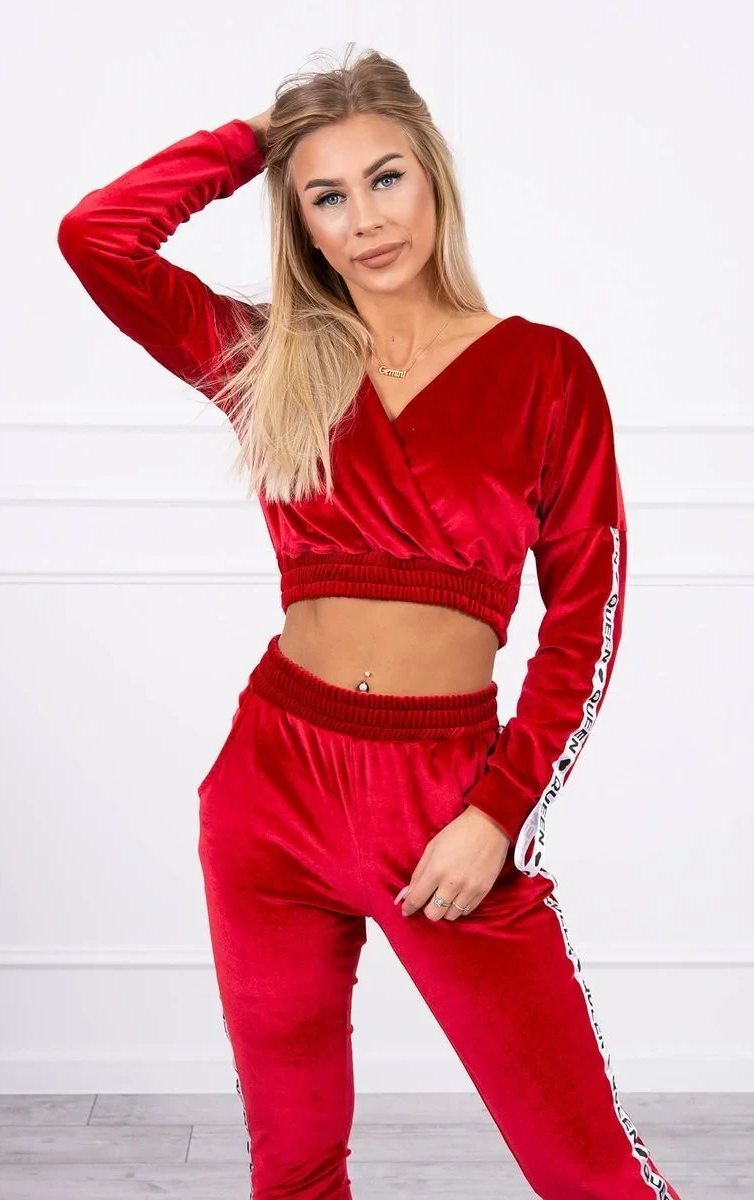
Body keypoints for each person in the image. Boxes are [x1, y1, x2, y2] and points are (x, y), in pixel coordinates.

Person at [57, 43, 682, 1200]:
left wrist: (495, 814)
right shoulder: (272, 358)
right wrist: (255, 141)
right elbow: (96, 239)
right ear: (299, 222)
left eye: (385, 177)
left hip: (444, 798)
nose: (366, 219)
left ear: (431, 174)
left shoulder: (544, 370)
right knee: (292, 1168)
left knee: (587, 1172)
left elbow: (584, 621)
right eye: (326, 196)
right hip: (269, 790)